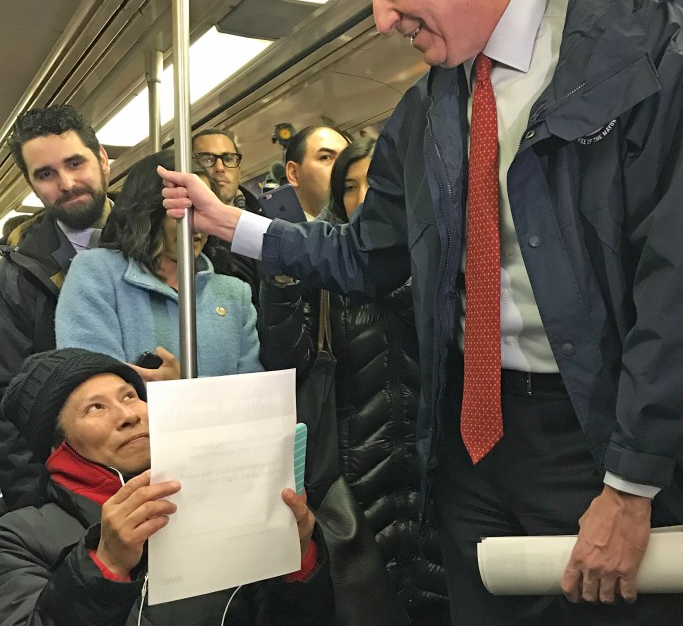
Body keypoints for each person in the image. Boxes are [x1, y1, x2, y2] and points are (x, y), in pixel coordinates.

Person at [159, 0, 683, 625]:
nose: (381, 19)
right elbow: (369, 254)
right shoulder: (427, 112)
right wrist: (233, 224)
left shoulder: (637, 50)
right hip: (474, 440)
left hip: (597, 429)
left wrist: (631, 484)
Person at [259, 138, 450, 626]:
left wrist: (402, 271)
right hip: (353, 470)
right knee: (366, 600)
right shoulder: (324, 278)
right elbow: (288, 359)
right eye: (350, 187)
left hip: (439, 469)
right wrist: (282, 281)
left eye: (378, 186)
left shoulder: (447, 264)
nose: (363, 197)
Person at [0, 347, 333, 626]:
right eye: (95, 407)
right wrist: (105, 565)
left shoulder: (220, 501)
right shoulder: (17, 538)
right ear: (60, 448)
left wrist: (298, 560)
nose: (128, 415)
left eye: (129, 396)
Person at [56, 151, 263, 378]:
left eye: (202, 209)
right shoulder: (96, 274)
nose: (195, 225)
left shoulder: (233, 294)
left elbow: (250, 396)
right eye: (182, 210)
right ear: (149, 210)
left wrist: (180, 389)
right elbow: (92, 384)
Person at [0, 104, 113, 509]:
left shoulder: (162, 243)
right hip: (70, 490)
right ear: (32, 185)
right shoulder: (15, 276)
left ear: (102, 159)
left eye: (75, 163)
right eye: (46, 174)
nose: (66, 183)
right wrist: (34, 506)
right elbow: (9, 398)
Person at [192, 128, 263, 307]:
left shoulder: (264, 220)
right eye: (207, 159)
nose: (220, 168)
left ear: (239, 169)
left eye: (229, 158)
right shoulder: (184, 229)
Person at [283, 125, 350, 219]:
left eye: (346, 157)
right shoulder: (277, 231)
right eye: (325, 157)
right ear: (293, 174)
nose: (342, 166)